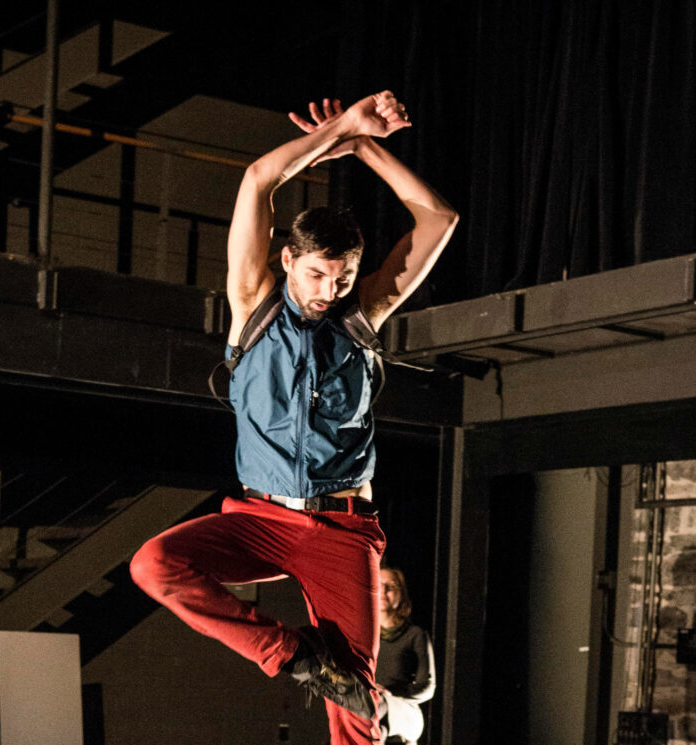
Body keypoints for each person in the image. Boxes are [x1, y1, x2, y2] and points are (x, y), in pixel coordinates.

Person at [129, 90, 457, 745]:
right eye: (315, 275)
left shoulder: (361, 317)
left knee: (357, 713)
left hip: (343, 530)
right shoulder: (253, 303)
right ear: (288, 261)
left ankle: (333, 678)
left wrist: (363, 147)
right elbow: (259, 179)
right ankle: (296, 656)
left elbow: (437, 218)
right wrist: (341, 126)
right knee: (154, 564)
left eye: (342, 278)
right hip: (262, 519)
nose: (328, 291)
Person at [375, 567, 436, 745]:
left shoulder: (415, 635)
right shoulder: (364, 637)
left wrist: (391, 693)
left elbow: (427, 686)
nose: (384, 590)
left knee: (377, 706)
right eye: (379, 584)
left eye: (391, 586)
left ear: (401, 594)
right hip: (371, 707)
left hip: (403, 710)